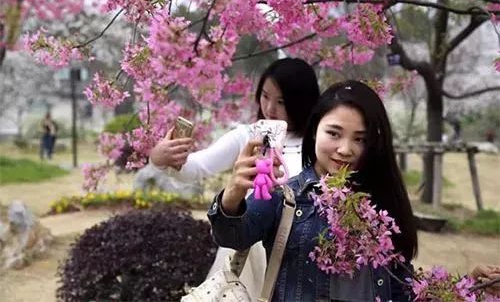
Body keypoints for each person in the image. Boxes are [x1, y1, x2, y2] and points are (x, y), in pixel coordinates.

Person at [208, 80, 418, 301]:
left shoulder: (380, 200)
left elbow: (399, 281)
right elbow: (232, 235)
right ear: (314, 131)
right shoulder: (286, 196)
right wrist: (233, 193)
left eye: (360, 139)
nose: (345, 149)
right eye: (334, 134)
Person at [149, 57, 320, 300]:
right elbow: (197, 168)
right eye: (265, 96)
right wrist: (161, 157)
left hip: (299, 254)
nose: (270, 108)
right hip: (247, 250)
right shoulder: (248, 137)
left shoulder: (320, 143)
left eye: (282, 101)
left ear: (303, 102)